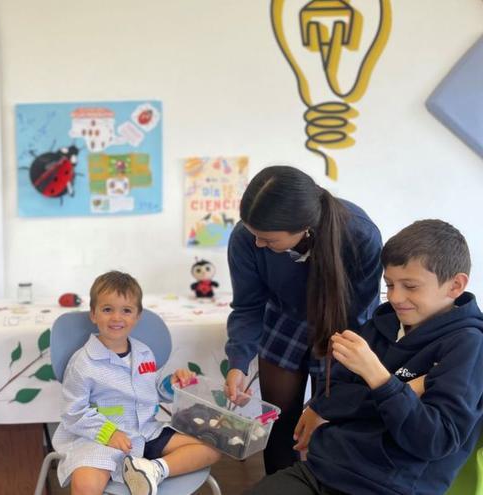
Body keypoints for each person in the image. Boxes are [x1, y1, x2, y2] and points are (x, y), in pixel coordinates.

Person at [250, 219, 483, 495]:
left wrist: (378, 378)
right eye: (389, 284)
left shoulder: (469, 344)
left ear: (455, 285)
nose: (395, 297)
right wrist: (406, 391)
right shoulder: (381, 323)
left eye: (410, 286)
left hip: (389, 486)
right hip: (323, 469)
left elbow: (433, 440)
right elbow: (331, 396)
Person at [224, 165, 383, 474]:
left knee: (329, 426)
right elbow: (248, 308)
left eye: (268, 239)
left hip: (344, 327)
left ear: (304, 227)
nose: (258, 243)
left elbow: (358, 317)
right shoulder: (247, 237)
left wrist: (325, 402)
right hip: (285, 318)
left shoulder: (359, 234)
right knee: (281, 425)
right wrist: (237, 363)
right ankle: (281, 482)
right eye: (254, 234)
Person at [52, 271, 220, 495]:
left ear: (137, 316)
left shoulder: (144, 353)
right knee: (85, 485)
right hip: (98, 440)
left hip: (144, 432)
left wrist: (172, 383)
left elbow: (152, 387)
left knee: (211, 449)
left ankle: (152, 469)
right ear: (93, 314)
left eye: (126, 310)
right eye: (107, 309)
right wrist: (108, 434)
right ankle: (139, 468)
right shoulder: (83, 364)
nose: (116, 318)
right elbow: (73, 413)